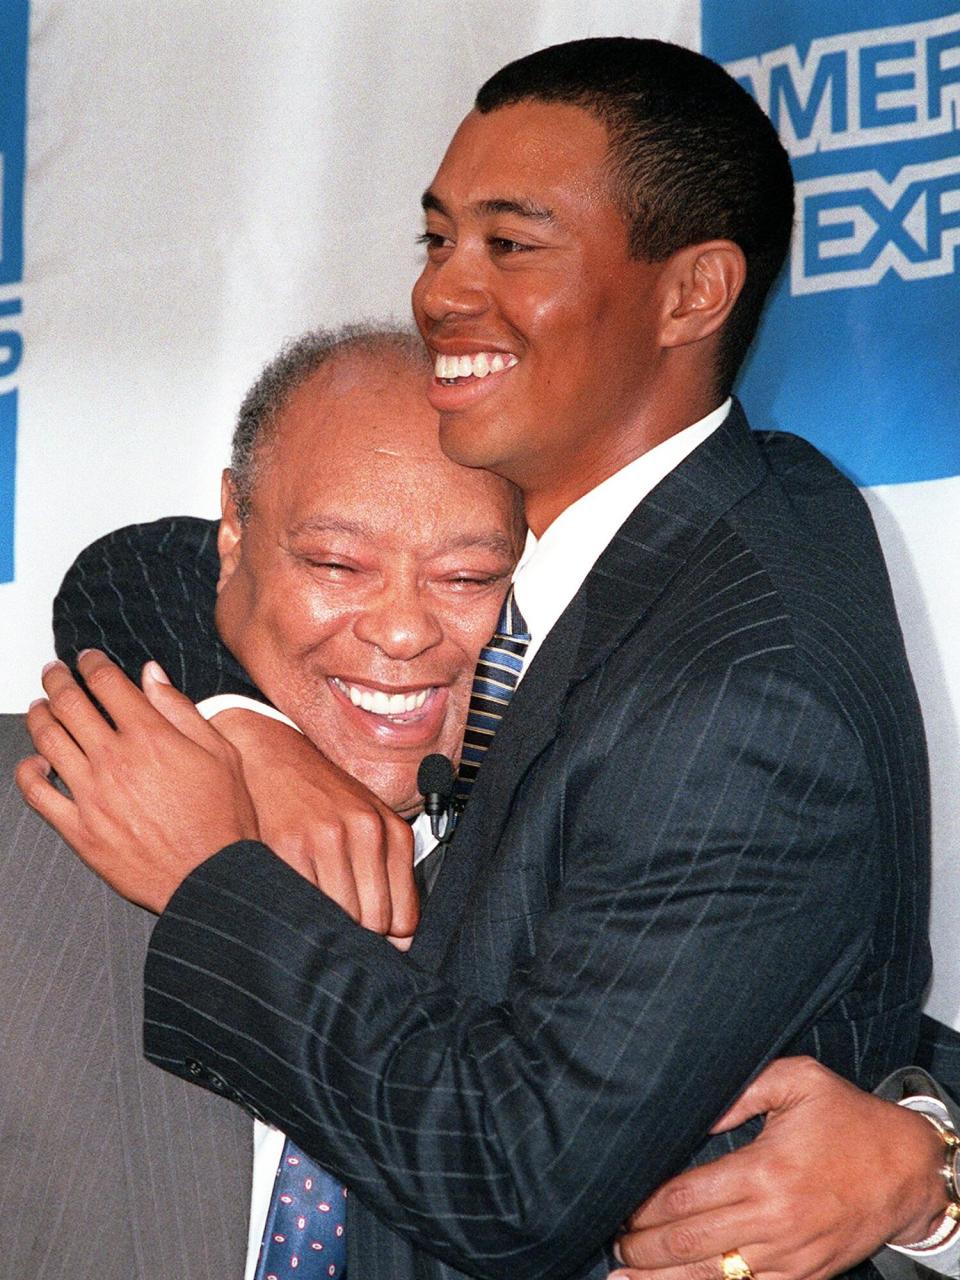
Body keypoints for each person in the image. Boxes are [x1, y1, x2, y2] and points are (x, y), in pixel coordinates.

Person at [18, 38, 946, 1280]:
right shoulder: (721, 515)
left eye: (512, 244)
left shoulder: (734, 678)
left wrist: (212, 869)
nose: (449, 289)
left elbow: (520, 1171)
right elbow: (152, 560)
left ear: (692, 293)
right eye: (438, 237)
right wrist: (251, 719)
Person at [3, 324, 524, 1278]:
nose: (406, 629)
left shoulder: (588, 858)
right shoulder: (21, 828)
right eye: (337, 565)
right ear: (233, 532)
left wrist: (900, 1161)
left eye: (467, 578)